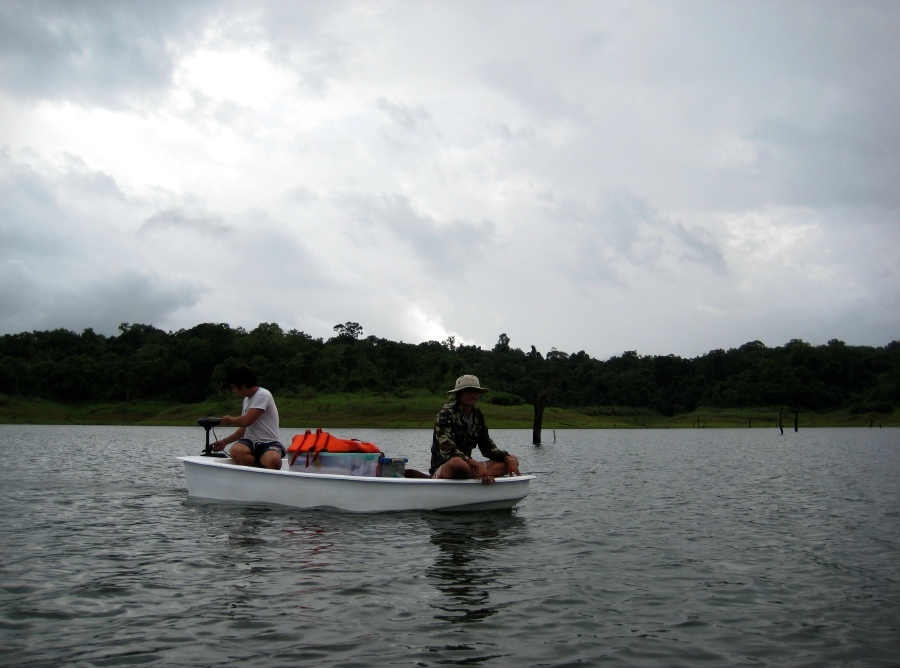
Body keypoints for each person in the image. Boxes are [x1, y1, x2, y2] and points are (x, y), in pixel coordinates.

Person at [430, 374, 521, 484]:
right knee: (457, 463)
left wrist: (507, 458)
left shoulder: (477, 415)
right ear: (459, 394)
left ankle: (478, 476)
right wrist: (478, 466)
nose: (473, 394)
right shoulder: (445, 415)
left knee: (513, 459)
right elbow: (448, 451)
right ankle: (479, 475)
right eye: (468, 391)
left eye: (476, 391)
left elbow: (488, 447)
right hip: (447, 466)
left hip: (469, 466)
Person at [211, 367, 284, 469]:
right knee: (235, 451)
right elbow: (244, 429)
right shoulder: (246, 400)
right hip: (250, 442)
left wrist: (229, 419)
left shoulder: (263, 395)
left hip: (269, 442)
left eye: (233, 387)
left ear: (243, 385)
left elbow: (246, 421)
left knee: (274, 460)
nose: (233, 391)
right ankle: (260, 470)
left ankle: (264, 468)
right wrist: (224, 441)